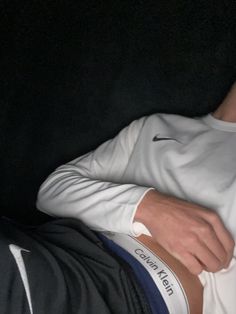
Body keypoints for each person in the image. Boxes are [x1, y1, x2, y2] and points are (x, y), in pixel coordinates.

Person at [37, 81, 236, 313]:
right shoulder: (155, 126)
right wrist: (149, 208)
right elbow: (52, 191)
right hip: (55, 246)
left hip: (129, 294)